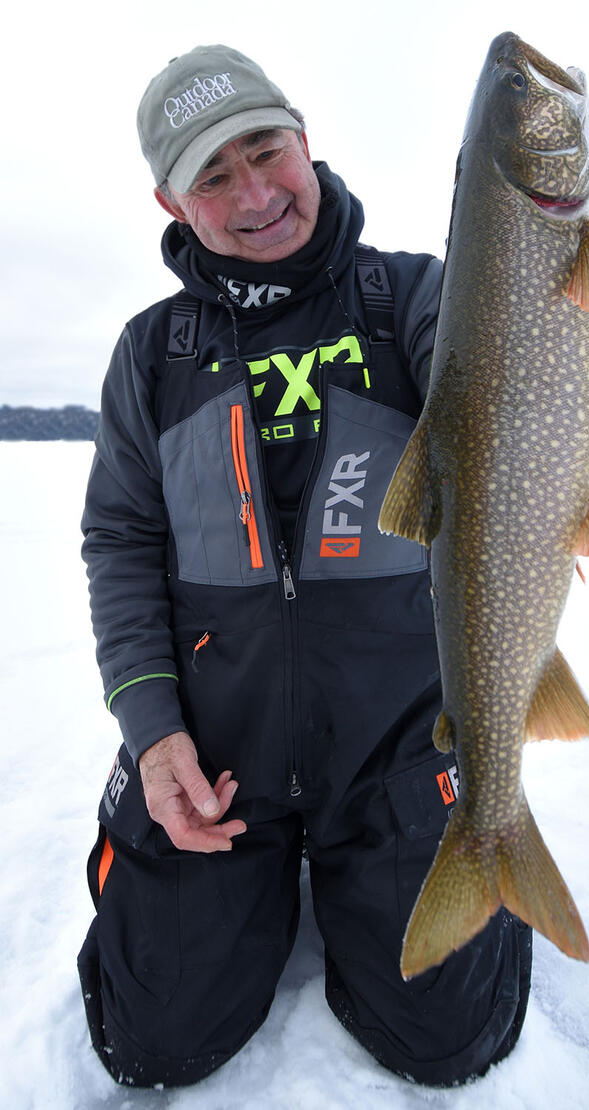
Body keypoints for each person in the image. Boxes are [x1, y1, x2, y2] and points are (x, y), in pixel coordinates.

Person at [77, 44, 532, 1089]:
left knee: (446, 1042)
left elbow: (501, 362)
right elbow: (121, 542)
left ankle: (454, 838)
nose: (254, 194)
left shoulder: (416, 302)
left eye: (263, 151)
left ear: (305, 141)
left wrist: (521, 216)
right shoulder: (153, 356)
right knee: (152, 1044)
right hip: (218, 754)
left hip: (394, 745)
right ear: (168, 199)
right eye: (213, 175)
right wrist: (153, 738)